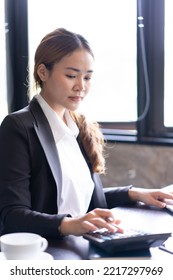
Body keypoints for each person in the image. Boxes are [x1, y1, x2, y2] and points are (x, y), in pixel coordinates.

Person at [0, 28, 173, 238]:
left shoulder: (77, 125)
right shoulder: (18, 126)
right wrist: (71, 225)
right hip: (49, 251)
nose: (80, 86)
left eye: (88, 78)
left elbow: (82, 198)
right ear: (43, 72)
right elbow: (12, 216)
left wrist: (134, 193)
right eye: (71, 75)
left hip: (84, 243)